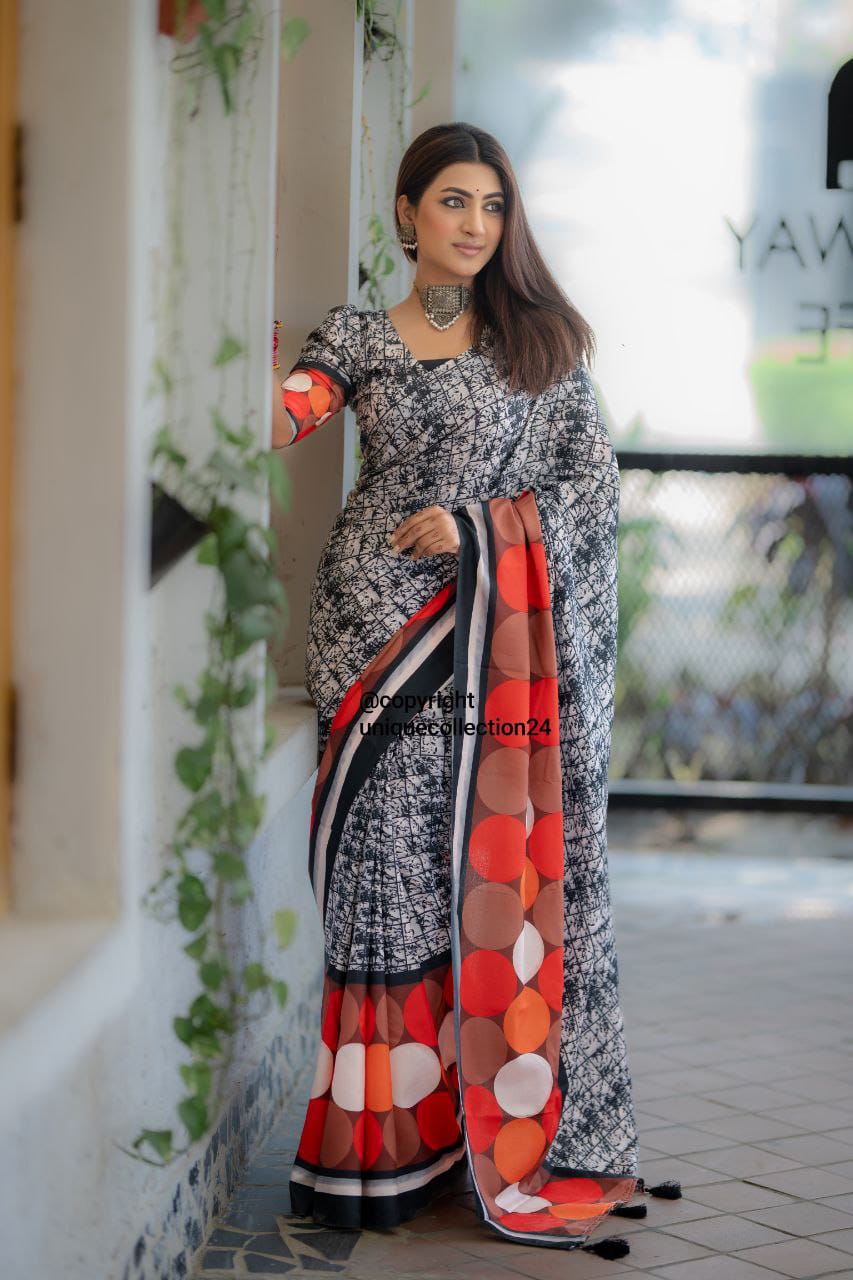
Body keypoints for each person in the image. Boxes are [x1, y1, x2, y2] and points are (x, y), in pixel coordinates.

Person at [271, 122, 680, 1257]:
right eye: (452, 201)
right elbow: (287, 412)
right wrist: (226, 373)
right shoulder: (357, 336)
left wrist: (476, 526)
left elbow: (588, 491)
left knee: (489, 877)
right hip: (371, 634)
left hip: (487, 641)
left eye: (492, 206)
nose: (473, 225)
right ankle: (379, 1151)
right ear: (406, 213)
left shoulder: (535, 343)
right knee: (384, 884)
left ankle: (488, 1136)